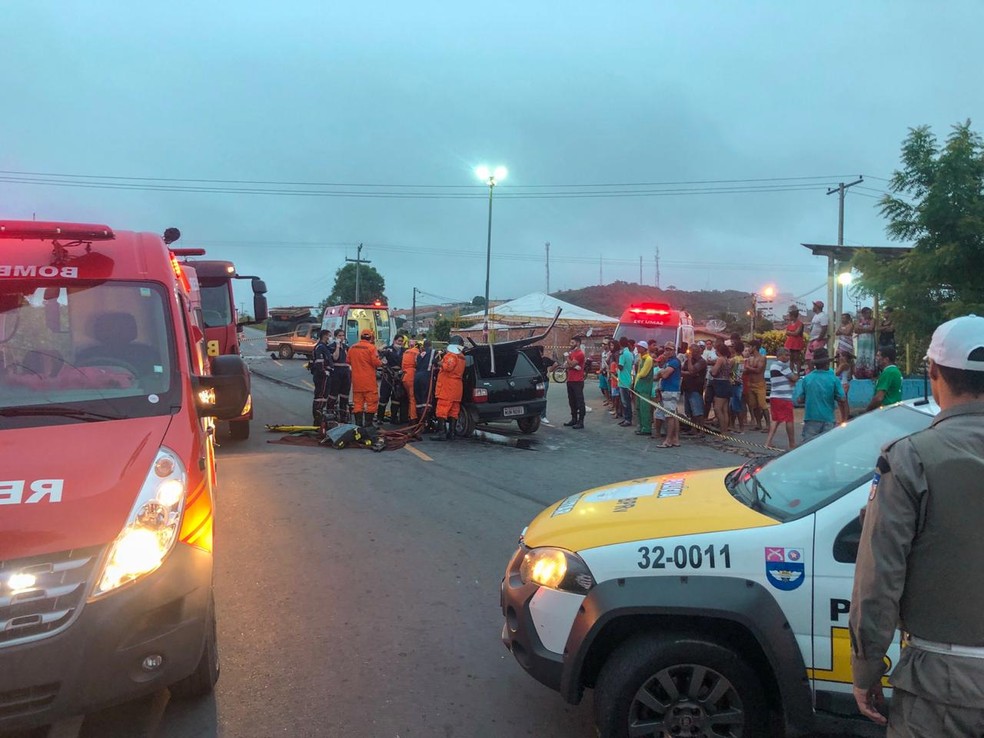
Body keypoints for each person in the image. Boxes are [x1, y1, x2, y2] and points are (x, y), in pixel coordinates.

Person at [850, 314, 984, 735]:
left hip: (941, 685)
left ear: (933, 372)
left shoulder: (910, 457)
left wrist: (866, 669)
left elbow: (878, 580)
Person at [792, 348, 848, 442]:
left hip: (811, 418)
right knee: (827, 448)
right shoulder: (833, 379)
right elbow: (842, 399)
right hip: (828, 419)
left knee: (809, 448)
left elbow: (799, 399)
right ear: (827, 363)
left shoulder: (807, 379)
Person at [431, 335, 467, 441]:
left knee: (442, 409)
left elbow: (448, 367)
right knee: (454, 410)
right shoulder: (462, 356)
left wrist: (437, 362)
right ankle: (452, 433)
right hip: (457, 387)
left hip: (447, 386)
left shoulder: (452, 355)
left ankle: (441, 432)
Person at [765, 347, 798, 449]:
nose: (788, 357)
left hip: (774, 396)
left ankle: (768, 442)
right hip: (784, 397)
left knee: (776, 420)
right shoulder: (783, 366)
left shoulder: (773, 365)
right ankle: (792, 444)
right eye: (786, 355)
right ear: (780, 356)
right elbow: (794, 378)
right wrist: (795, 375)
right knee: (789, 420)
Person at [348, 330, 382, 427]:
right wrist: (381, 362)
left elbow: (348, 360)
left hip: (356, 381)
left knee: (358, 403)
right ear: (371, 337)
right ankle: (368, 425)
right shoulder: (371, 348)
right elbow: (376, 363)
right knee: (371, 403)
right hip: (369, 381)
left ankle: (358, 425)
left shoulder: (352, 347)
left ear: (361, 337)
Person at [653, 342, 682, 447]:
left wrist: (661, 372)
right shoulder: (668, 362)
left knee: (670, 416)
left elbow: (664, 375)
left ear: (674, 350)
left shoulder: (674, 362)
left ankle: (669, 440)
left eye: (669, 349)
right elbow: (657, 376)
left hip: (671, 391)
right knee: (670, 415)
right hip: (665, 390)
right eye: (666, 349)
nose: (667, 351)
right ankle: (674, 439)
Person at [377, 335, 406, 424]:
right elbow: (379, 357)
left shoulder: (405, 351)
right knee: (384, 396)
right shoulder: (388, 349)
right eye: (398, 341)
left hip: (399, 376)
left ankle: (394, 418)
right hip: (388, 375)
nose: (400, 343)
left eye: (401, 341)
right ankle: (380, 418)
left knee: (396, 397)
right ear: (394, 341)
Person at [865, 346, 903, 412]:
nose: (876, 358)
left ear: (886, 359)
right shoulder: (896, 371)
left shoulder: (888, 372)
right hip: (894, 408)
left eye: (878, 356)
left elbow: (879, 398)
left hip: (886, 409)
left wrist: (867, 411)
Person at [681, 342, 708, 430]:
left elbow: (692, 370)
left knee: (698, 411)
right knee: (690, 411)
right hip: (687, 387)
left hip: (696, 388)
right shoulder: (688, 361)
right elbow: (683, 370)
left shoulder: (702, 361)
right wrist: (687, 373)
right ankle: (693, 429)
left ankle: (701, 430)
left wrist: (689, 360)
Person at [327, 329, 351, 423]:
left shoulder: (346, 347)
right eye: (340, 336)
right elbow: (335, 357)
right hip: (336, 372)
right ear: (336, 337)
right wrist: (337, 346)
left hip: (345, 372)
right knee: (333, 394)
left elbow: (349, 359)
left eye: (343, 335)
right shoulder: (331, 347)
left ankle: (343, 415)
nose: (342, 337)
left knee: (345, 395)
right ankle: (330, 414)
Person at [709, 339, 733, 435]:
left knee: (717, 408)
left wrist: (711, 370)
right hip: (726, 383)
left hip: (720, 384)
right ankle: (725, 431)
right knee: (725, 409)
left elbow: (714, 372)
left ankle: (723, 432)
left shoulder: (720, 359)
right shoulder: (728, 360)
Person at [743, 342, 768, 431]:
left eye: (749, 347)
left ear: (754, 347)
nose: (748, 349)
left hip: (760, 383)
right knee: (753, 405)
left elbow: (758, 370)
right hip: (751, 384)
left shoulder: (762, 358)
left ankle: (768, 426)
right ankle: (758, 424)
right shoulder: (750, 359)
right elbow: (745, 371)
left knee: (762, 405)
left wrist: (748, 368)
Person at [311, 329, 333, 425]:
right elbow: (319, 362)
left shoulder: (325, 347)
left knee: (324, 397)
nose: (330, 338)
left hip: (324, 375)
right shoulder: (320, 347)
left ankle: (320, 419)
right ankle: (317, 419)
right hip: (322, 376)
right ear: (324, 336)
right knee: (320, 397)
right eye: (329, 335)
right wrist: (325, 372)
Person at [564, 336, 586, 429]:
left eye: (572, 343)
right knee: (571, 401)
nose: (570, 344)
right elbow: (566, 366)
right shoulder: (572, 353)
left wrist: (567, 358)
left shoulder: (580, 353)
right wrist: (570, 364)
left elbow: (571, 364)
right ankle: (574, 419)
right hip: (570, 379)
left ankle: (581, 421)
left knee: (579, 401)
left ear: (578, 343)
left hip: (577, 381)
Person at [632, 342, 653, 436]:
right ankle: (641, 427)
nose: (638, 348)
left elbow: (643, 374)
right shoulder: (641, 358)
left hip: (645, 387)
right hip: (639, 386)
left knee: (645, 409)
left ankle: (646, 428)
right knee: (639, 408)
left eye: (639, 347)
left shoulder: (648, 359)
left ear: (644, 348)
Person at [414, 339, 437, 423]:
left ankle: (419, 420)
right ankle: (426, 421)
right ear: (431, 345)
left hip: (416, 377)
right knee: (426, 399)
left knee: (419, 400)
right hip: (426, 377)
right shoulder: (434, 352)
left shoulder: (419, 355)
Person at [534, 346, 557, 424]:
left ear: (541, 352)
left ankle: (543, 416)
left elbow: (555, 363)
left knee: (543, 398)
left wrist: (549, 371)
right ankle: (536, 416)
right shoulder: (533, 359)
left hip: (544, 381)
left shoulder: (545, 359)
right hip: (535, 381)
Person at [805, 300, 829, 369]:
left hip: (818, 340)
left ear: (817, 307)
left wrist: (819, 339)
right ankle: (811, 371)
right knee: (808, 357)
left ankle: (817, 371)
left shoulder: (823, 316)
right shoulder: (816, 316)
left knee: (816, 356)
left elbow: (824, 328)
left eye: (814, 306)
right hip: (812, 339)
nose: (813, 307)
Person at [855, 306, 877, 379]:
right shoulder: (859, 320)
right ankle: (860, 373)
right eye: (867, 313)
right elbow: (856, 329)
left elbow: (871, 329)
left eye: (870, 313)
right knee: (861, 355)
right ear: (863, 313)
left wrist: (862, 329)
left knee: (869, 355)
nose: (869, 314)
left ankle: (869, 373)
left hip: (869, 341)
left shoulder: (872, 320)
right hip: (861, 341)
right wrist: (866, 329)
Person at [401, 339, 420, 422]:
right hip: (412, 376)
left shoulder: (406, 352)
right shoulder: (417, 352)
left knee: (409, 398)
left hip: (405, 376)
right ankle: (413, 418)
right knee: (413, 399)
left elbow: (402, 365)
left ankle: (408, 416)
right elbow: (418, 364)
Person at [617, 337, 634, 427]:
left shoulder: (623, 354)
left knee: (625, 402)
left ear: (620, 344)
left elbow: (620, 366)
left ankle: (628, 419)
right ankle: (627, 418)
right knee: (627, 401)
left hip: (623, 381)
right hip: (628, 379)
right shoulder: (630, 353)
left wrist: (617, 362)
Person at [784, 306, 806, 373]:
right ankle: (791, 372)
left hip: (796, 343)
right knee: (791, 358)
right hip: (790, 343)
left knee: (796, 358)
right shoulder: (790, 323)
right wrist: (792, 333)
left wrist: (790, 333)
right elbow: (787, 332)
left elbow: (797, 333)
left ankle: (797, 372)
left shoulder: (800, 323)